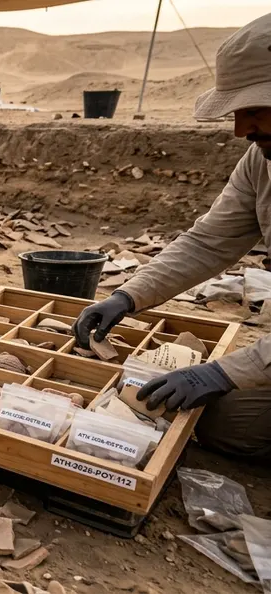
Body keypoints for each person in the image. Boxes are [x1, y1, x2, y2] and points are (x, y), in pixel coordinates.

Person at [73, 12, 271, 460]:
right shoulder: (263, 159)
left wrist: (224, 372)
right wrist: (127, 297)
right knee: (225, 424)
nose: (242, 130)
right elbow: (208, 242)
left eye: (254, 110)